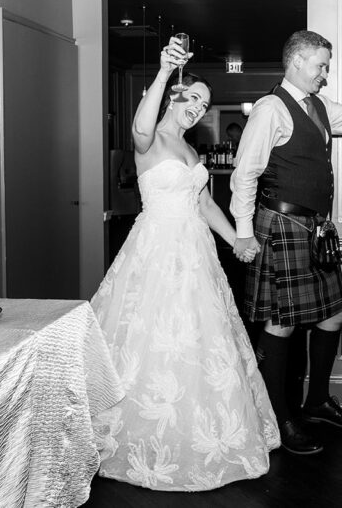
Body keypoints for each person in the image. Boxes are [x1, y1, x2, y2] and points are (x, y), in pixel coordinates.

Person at [90, 37, 279, 491]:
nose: (198, 108)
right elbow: (138, 125)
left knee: (198, 340)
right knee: (148, 339)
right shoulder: (149, 140)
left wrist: (238, 239)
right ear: (174, 95)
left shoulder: (193, 152)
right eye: (192, 97)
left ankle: (194, 432)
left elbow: (204, 203)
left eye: (205, 103)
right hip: (155, 253)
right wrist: (161, 73)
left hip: (196, 256)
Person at [230, 29, 342, 455]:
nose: (325, 74)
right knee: (282, 321)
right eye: (320, 65)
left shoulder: (320, 106)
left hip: (316, 229)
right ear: (296, 61)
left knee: (333, 315)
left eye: (326, 66)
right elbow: (244, 174)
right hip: (281, 225)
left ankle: (316, 402)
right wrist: (241, 232)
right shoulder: (271, 109)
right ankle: (280, 418)